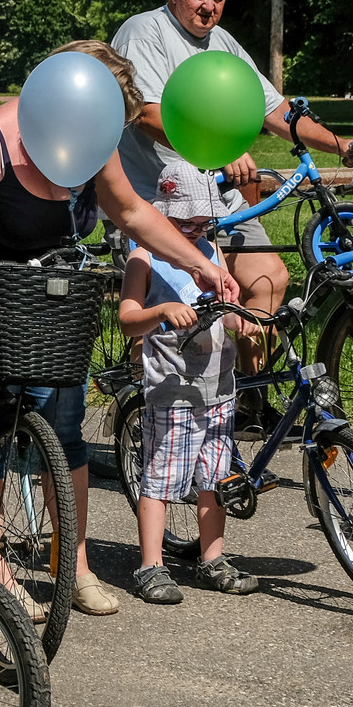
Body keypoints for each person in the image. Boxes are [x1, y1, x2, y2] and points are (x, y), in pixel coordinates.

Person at [0, 40, 237, 617]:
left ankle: (75, 566)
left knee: (66, 433)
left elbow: (131, 211)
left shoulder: (90, 138)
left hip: (54, 300)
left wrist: (199, 265)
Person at [111, 0, 353, 402]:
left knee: (270, 279)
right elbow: (147, 114)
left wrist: (339, 144)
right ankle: (145, 406)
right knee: (164, 302)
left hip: (218, 201)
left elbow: (275, 110)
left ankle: (249, 403)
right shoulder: (144, 32)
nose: (209, 6)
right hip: (158, 205)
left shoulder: (224, 45)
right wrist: (219, 148)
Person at [118, 162, 260, 605]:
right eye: (186, 224)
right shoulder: (144, 257)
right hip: (172, 391)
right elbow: (127, 319)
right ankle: (151, 565)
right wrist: (161, 312)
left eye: (204, 224)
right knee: (161, 477)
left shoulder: (210, 252)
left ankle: (212, 558)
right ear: (162, 216)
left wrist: (241, 322)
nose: (196, 232)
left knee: (216, 478)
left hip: (218, 387)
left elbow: (227, 308)